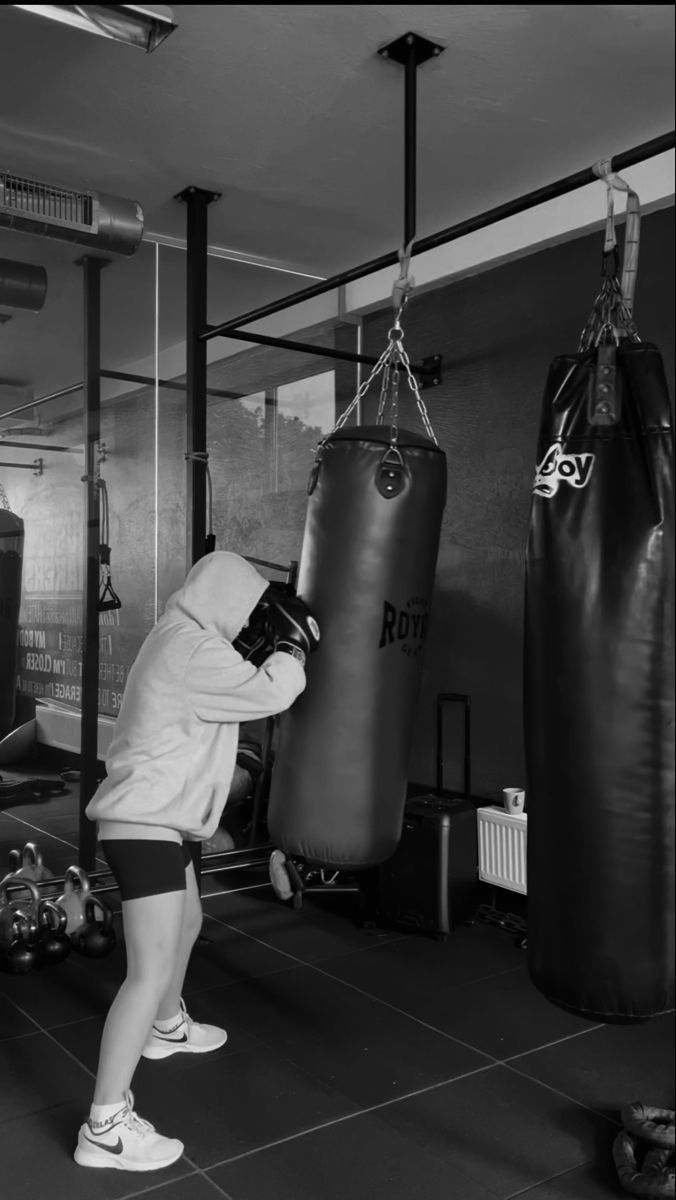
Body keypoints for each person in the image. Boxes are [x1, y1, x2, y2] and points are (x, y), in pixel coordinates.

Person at [74, 551, 319, 1172]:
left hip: (166, 818)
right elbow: (270, 693)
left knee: (185, 926)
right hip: (145, 824)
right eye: (250, 610)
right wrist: (293, 649)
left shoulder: (184, 637)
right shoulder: (192, 648)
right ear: (226, 603)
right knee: (146, 970)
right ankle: (105, 1124)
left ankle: (166, 1026)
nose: (254, 624)